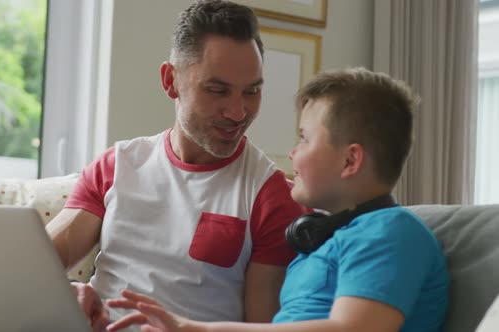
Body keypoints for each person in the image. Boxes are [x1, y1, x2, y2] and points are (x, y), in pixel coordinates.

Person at [104, 67, 451, 332]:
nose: (292, 153)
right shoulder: (329, 239)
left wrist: (198, 329)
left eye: (304, 139)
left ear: (350, 161)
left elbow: (350, 330)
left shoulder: (391, 234)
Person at [45, 1, 311, 331]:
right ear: (170, 80)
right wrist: (67, 293)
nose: (238, 112)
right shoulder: (118, 166)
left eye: (252, 91)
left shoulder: (270, 196)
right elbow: (36, 266)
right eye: (218, 90)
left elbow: (263, 329)